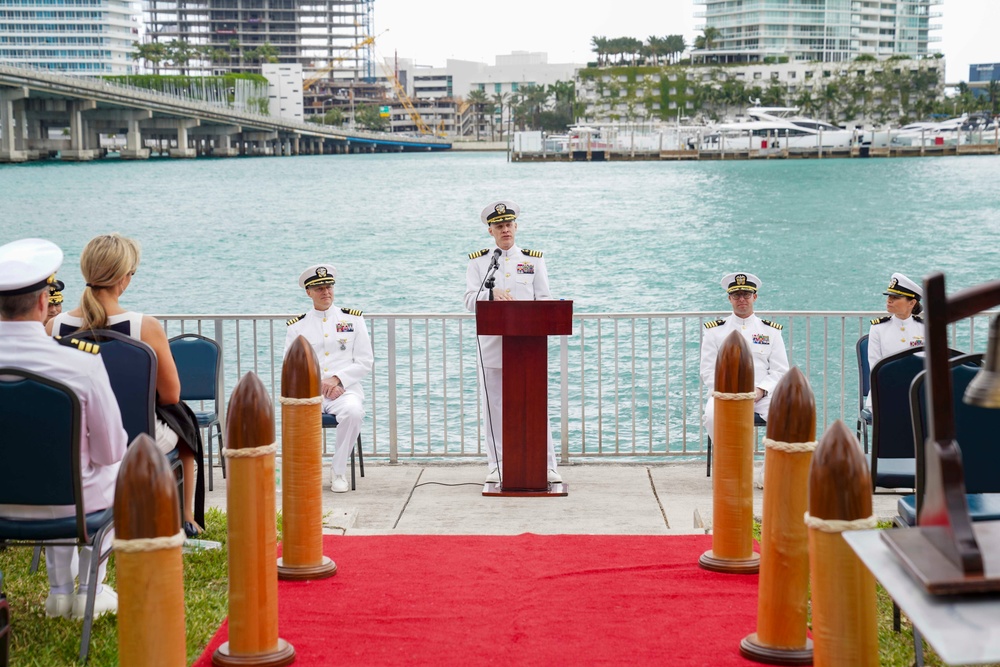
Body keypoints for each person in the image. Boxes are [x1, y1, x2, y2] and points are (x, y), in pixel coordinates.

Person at [0, 238, 127, 620]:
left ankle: (58, 592)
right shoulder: (81, 366)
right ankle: (91, 588)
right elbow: (109, 451)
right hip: (71, 508)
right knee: (108, 467)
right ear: (43, 303)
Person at [46, 233, 205, 537]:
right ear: (123, 277)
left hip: (75, 439)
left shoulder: (55, 326)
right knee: (184, 421)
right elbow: (171, 394)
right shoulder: (144, 326)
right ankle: (185, 517)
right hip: (136, 438)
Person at [464, 200, 561, 485]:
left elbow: (544, 300)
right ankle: (496, 464)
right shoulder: (479, 262)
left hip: (528, 349)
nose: (504, 230)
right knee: (494, 408)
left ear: (516, 227)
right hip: (493, 346)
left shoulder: (533, 260)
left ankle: (548, 465)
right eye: (498, 226)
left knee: (536, 406)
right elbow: (470, 300)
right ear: (490, 231)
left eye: (508, 225)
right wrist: (491, 296)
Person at [283, 263, 373, 493]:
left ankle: (338, 470)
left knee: (354, 413)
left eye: (329, 286)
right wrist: (319, 385)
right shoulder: (298, 326)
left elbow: (365, 361)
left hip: (345, 391)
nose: (326, 292)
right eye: (319, 288)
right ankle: (302, 471)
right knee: (293, 417)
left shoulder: (353, 320)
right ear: (309, 292)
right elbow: (292, 367)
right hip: (310, 393)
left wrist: (338, 380)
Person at [700, 272, 789, 488]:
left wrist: (760, 391)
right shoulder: (715, 331)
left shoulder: (770, 332)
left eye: (746, 295)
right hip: (725, 392)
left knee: (786, 414)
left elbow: (780, 370)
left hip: (761, 393)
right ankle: (733, 468)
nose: (742, 299)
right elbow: (708, 370)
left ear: (755, 297)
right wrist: (729, 392)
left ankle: (768, 473)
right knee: (711, 416)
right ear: (729, 298)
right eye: (737, 295)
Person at [866, 272, 924, 407]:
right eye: (889, 297)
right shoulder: (878, 328)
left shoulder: (925, 329)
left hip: (918, 392)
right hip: (884, 393)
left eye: (896, 297)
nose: (889, 300)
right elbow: (875, 368)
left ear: (912, 302)